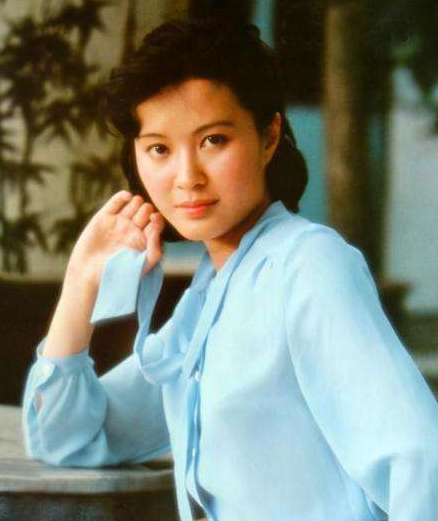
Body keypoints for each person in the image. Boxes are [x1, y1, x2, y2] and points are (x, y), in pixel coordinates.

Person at [22, 15, 438, 521]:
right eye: (159, 149)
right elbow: (69, 437)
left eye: (213, 140)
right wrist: (81, 281)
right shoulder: (208, 299)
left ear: (268, 136)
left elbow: (420, 462)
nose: (187, 177)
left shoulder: (308, 267)